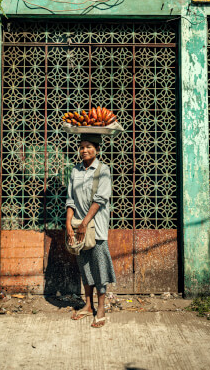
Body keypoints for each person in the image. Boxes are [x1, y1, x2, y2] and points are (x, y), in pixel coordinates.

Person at [65, 134, 116, 328]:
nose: (84, 150)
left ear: (96, 149)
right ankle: (88, 305)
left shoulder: (103, 170)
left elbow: (100, 199)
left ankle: (101, 308)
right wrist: (70, 224)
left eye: (88, 147)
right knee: (85, 266)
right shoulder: (75, 171)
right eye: (81, 147)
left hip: (97, 228)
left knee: (99, 268)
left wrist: (86, 223)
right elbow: (70, 199)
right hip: (79, 227)